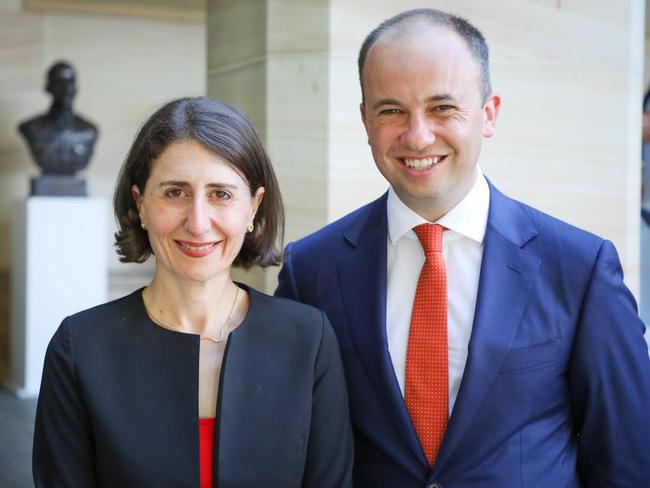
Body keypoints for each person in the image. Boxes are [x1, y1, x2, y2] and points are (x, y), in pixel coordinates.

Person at [276, 8, 650, 487]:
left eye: (442, 108)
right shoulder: (311, 271)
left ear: (489, 114)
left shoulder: (580, 269)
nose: (417, 135)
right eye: (391, 110)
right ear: (365, 120)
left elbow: (628, 463)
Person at [33, 97, 353, 487]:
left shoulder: (309, 340)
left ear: (254, 208)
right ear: (140, 205)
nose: (198, 223)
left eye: (221, 194)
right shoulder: (79, 349)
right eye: (174, 193)